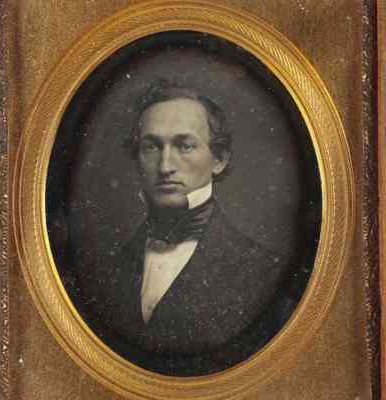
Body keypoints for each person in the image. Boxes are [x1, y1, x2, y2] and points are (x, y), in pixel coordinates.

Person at [77, 82, 296, 375]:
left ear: (219, 159)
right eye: (152, 146)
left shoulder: (265, 274)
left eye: (185, 146)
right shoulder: (103, 273)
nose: (165, 166)